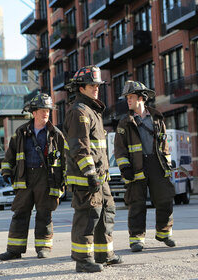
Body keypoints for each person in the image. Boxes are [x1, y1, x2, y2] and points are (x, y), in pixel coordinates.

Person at [63, 65, 122, 273]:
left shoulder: (92, 111)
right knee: (88, 216)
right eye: (91, 85)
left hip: (101, 177)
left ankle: (104, 254)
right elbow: (80, 146)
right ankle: (83, 260)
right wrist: (89, 173)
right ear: (81, 88)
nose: (96, 88)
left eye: (97, 85)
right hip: (87, 177)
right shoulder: (79, 112)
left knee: (107, 212)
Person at [0, 93, 67, 260]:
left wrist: (63, 182)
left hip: (47, 178)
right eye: (42, 110)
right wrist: (6, 172)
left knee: (44, 213)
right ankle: (14, 250)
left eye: (48, 111)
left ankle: (43, 248)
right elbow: (10, 155)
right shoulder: (21, 132)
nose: (46, 114)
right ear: (33, 112)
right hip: (25, 178)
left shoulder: (56, 134)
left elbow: (65, 160)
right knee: (20, 213)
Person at [114, 80, 176, 253]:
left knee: (165, 199)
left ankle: (164, 233)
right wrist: (125, 167)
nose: (128, 100)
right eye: (127, 98)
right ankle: (136, 240)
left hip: (157, 165)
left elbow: (164, 145)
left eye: (131, 97)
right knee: (136, 203)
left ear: (142, 98)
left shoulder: (157, 119)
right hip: (136, 167)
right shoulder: (124, 123)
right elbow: (119, 149)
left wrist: (167, 163)